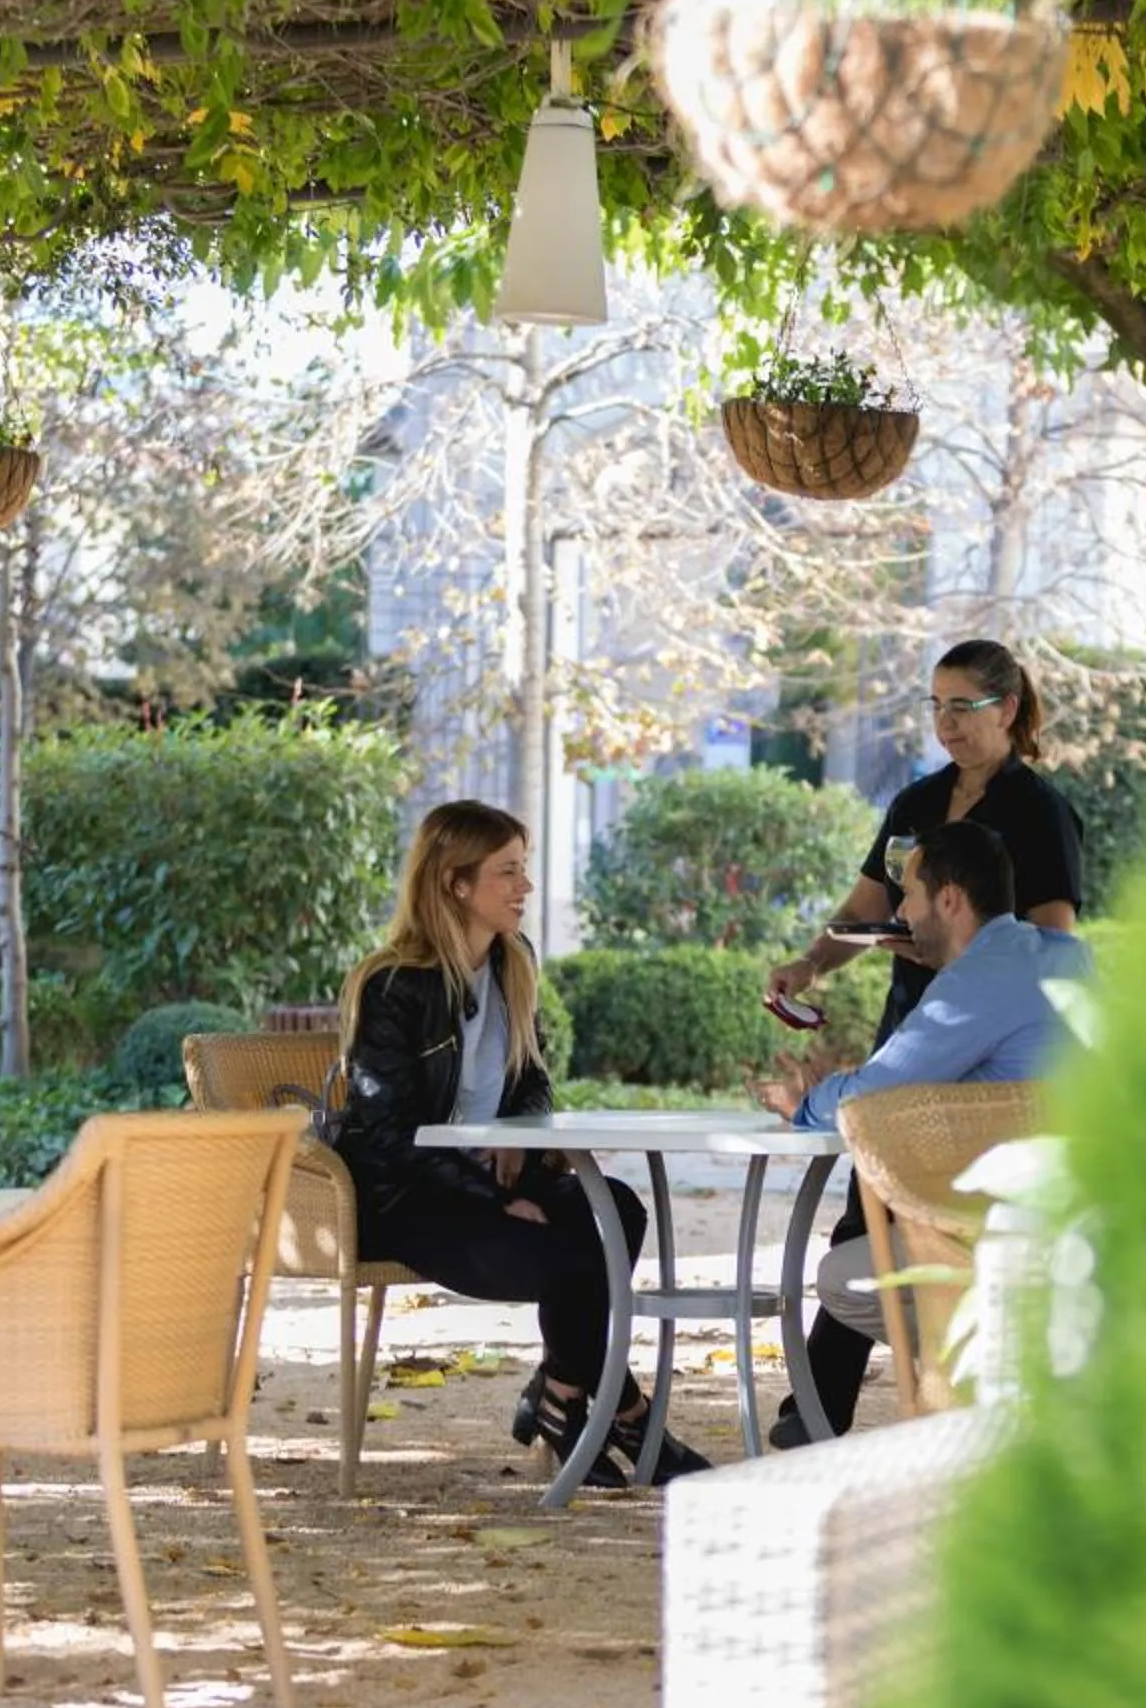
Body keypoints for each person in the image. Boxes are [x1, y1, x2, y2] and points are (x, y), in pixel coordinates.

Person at [336, 801, 707, 1488]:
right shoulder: (393, 985)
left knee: (617, 1211)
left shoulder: (514, 961)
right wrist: (489, 1197)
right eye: (506, 871)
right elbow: (387, 1134)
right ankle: (623, 1410)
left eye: (523, 869)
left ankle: (561, 1396)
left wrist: (520, 1147)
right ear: (455, 883)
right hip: (413, 1199)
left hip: (498, 1181)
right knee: (573, 1258)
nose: (525, 886)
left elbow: (533, 1080)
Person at [755, 820, 1089, 1441]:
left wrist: (805, 1101)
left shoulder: (973, 984)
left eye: (908, 895)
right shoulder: (1069, 956)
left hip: (996, 1239)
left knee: (842, 1280)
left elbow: (874, 1096)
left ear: (950, 899)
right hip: (1096, 1230)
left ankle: (997, 1382)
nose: (900, 914)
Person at [764, 638, 1084, 1051]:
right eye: (936, 706)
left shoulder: (1041, 813)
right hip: (908, 1028)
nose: (944, 724)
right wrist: (811, 964)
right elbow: (863, 910)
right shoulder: (915, 803)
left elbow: (1052, 952)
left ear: (1007, 709)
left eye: (961, 707)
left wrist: (950, 953)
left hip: (989, 1041)